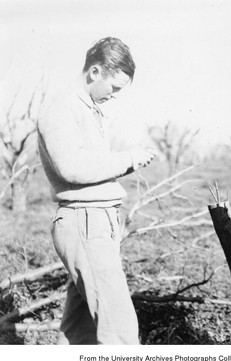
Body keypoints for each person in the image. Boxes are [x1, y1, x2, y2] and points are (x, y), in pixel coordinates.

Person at [37, 37, 156, 344]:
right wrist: (127, 158)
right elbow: (72, 168)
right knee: (121, 333)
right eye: (113, 88)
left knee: (81, 332)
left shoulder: (87, 108)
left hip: (96, 222)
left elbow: (93, 165)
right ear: (94, 72)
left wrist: (130, 161)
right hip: (84, 221)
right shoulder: (62, 105)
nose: (114, 96)